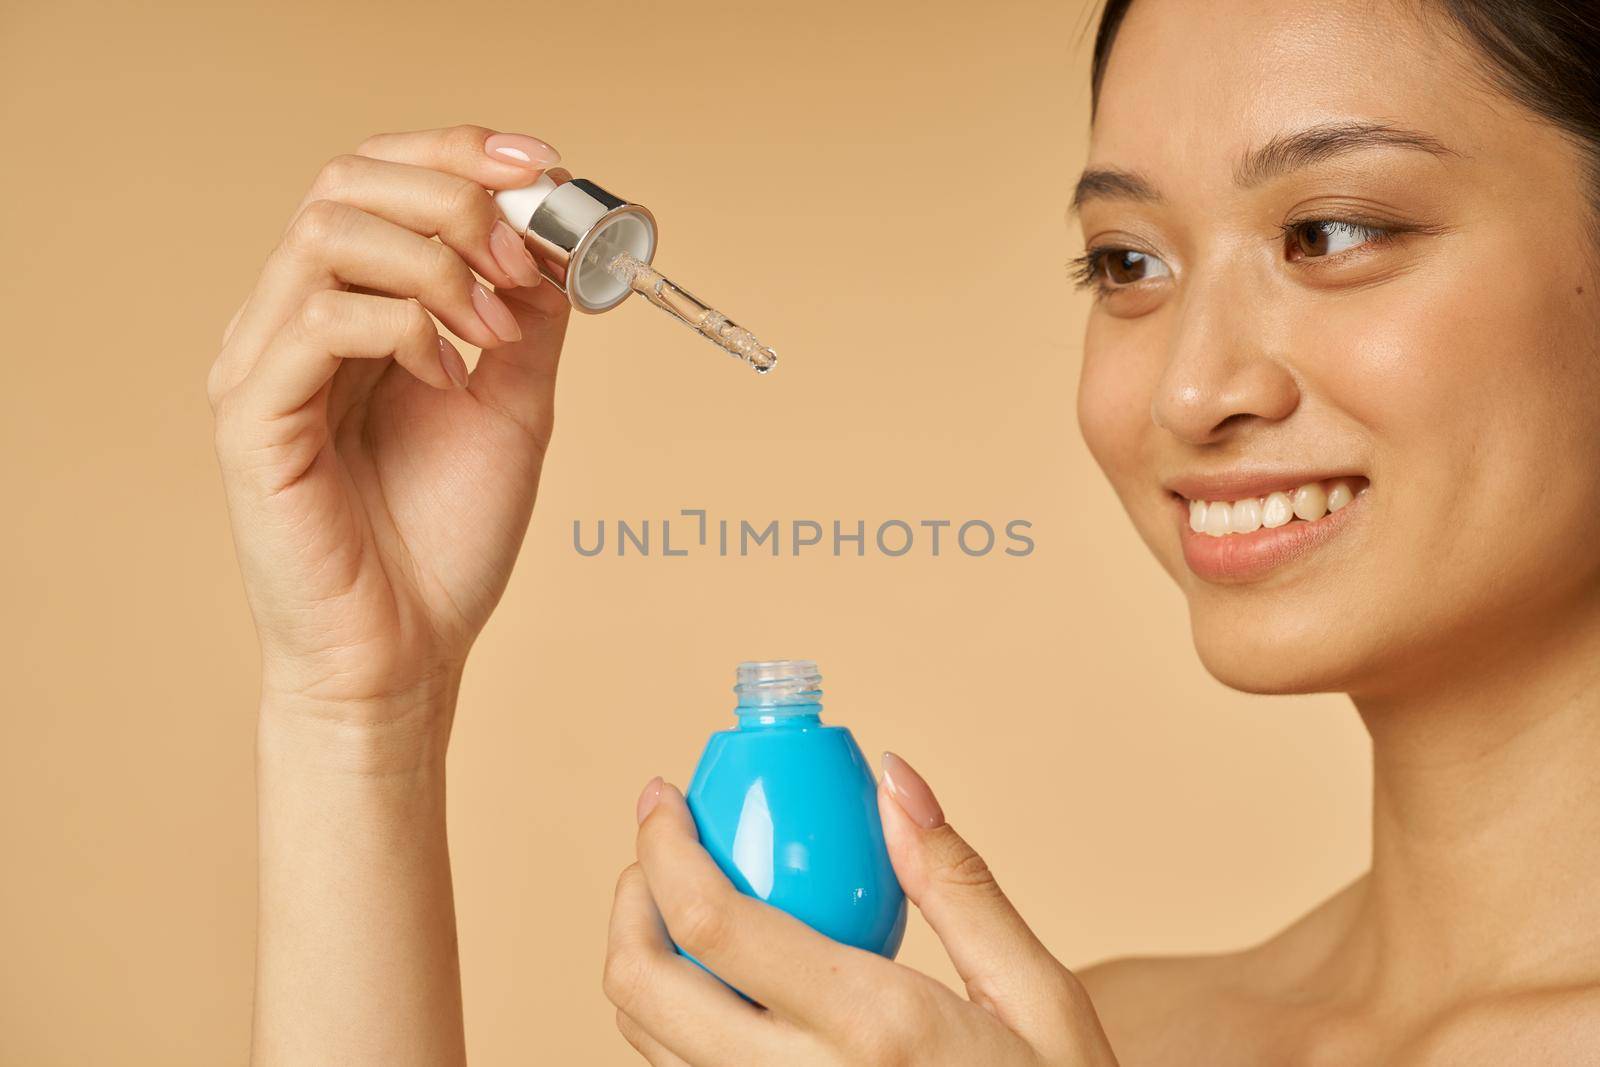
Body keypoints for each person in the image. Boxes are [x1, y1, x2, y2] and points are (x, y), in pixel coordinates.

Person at [599, 0, 1600, 1063]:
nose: (1187, 388)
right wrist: (395, 707)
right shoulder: (1107, 1033)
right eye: (1126, 262)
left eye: (1331, 233)